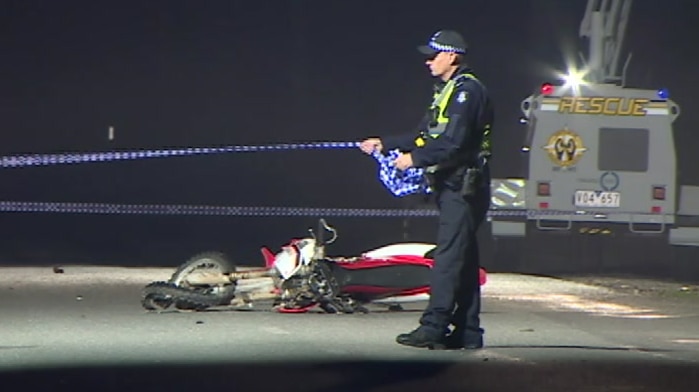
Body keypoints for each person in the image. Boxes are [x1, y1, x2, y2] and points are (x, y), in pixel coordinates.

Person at [359, 29, 494, 350]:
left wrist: (413, 160)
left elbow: (452, 143)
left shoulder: (467, 93)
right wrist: (386, 144)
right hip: (453, 187)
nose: (428, 61)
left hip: (464, 189)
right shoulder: (446, 91)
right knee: (462, 260)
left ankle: (433, 326)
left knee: (447, 259)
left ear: (452, 56)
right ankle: (468, 331)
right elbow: (424, 134)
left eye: (434, 55)